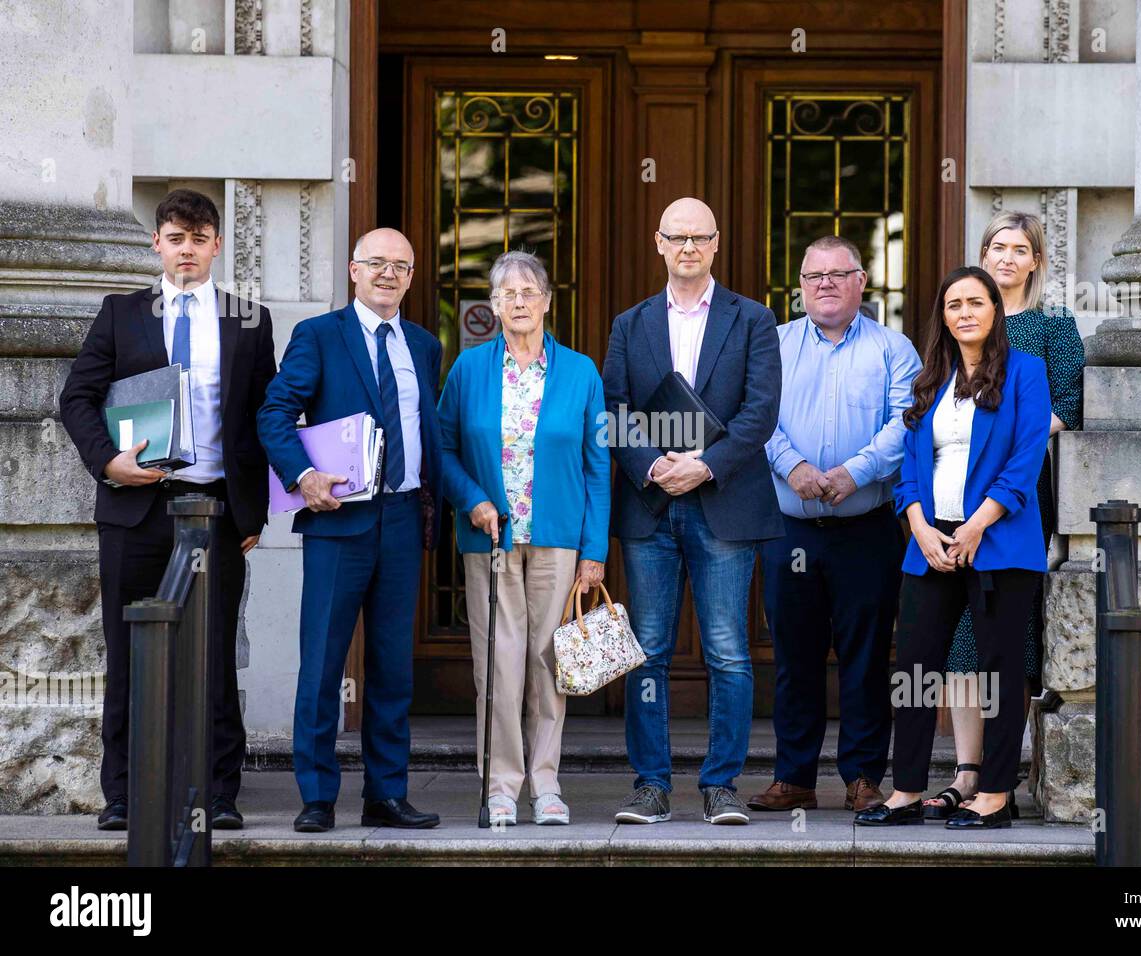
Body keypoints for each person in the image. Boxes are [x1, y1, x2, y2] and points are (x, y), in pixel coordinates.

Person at [60, 188, 275, 831]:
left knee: (212, 656)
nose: (187, 250)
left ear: (216, 245)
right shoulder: (121, 313)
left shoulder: (248, 318)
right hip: (134, 506)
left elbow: (266, 417)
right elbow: (78, 397)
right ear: (158, 243)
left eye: (199, 238)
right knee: (128, 651)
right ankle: (124, 792)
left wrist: (254, 514)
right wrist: (107, 462)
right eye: (175, 238)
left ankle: (219, 793)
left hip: (213, 509)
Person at [602, 196, 783, 826]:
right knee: (647, 650)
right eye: (676, 237)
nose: (687, 248)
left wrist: (703, 466)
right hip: (650, 506)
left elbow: (760, 413)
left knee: (729, 651)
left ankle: (721, 786)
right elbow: (615, 410)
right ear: (658, 243)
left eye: (699, 238)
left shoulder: (753, 319)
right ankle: (650, 785)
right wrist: (655, 466)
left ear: (715, 244)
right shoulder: (630, 324)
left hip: (723, 503)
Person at [258, 227, 444, 832]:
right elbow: (275, 412)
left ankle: (386, 795)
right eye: (376, 264)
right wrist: (303, 476)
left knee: (393, 667)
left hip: (401, 519)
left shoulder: (423, 344)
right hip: (339, 522)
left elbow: (428, 429)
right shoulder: (318, 335)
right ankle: (316, 796)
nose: (388, 274)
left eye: (400, 266)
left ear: (412, 278)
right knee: (323, 664)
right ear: (354, 272)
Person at [856, 265, 1049, 830]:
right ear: (943, 316)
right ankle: (907, 790)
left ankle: (993, 793)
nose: (964, 312)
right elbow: (910, 468)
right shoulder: (930, 377)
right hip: (930, 541)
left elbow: (1024, 462)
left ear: (995, 310)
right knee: (914, 666)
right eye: (953, 305)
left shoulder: (1025, 373)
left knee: (998, 671)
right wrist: (917, 524)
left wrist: (975, 527)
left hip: (997, 543)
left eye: (975, 302)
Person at [746, 236, 920, 814]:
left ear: (860, 281)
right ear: (800, 286)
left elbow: (906, 425)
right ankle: (794, 777)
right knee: (793, 656)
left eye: (837, 274)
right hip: (789, 529)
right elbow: (754, 415)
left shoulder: (895, 350)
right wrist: (791, 465)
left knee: (866, 657)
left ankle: (864, 777)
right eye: (813, 275)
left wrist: (855, 471)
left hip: (864, 528)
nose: (824, 283)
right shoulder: (771, 345)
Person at [438, 250, 610, 826]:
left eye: (529, 291)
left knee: (547, 662)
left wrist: (595, 551)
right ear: (492, 304)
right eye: (507, 292)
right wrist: (473, 500)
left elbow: (597, 465)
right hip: (490, 537)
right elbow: (443, 449)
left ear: (547, 302)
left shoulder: (582, 372)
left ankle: (546, 783)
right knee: (498, 663)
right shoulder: (468, 370)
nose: (518, 301)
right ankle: (501, 786)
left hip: (559, 537)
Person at [924, 211, 1086, 820]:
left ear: (1037, 262)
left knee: (1006, 636)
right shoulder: (960, 324)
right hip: (947, 500)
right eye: (998, 246)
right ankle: (965, 772)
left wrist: (1002, 447)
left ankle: (1002, 772)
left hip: (1018, 498)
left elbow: (1067, 407)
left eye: (1021, 249)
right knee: (959, 638)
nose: (1008, 258)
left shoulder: (1051, 327)